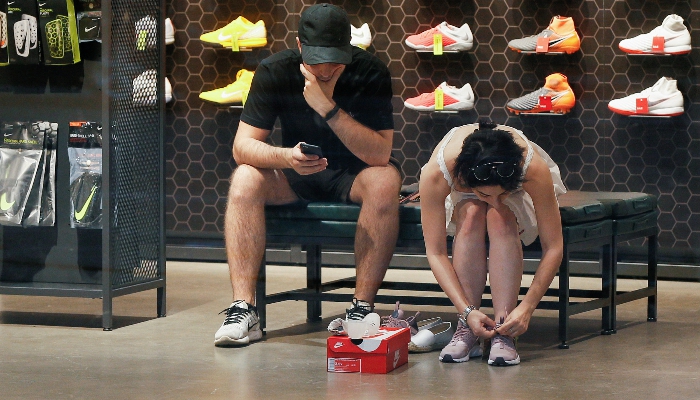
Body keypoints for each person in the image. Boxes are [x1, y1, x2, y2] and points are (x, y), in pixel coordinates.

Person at [214, 3, 401, 346]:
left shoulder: (370, 71)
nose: (326, 70)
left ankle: (361, 307)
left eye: (336, 61)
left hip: (353, 175)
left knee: (385, 179)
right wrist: (287, 157)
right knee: (244, 177)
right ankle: (244, 308)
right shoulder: (275, 70)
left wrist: (328, 108)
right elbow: (242, 147)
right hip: (295, 173)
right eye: (317, 60)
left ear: (348, 48)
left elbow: (380, 154)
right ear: (300, 45)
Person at [419, 119, 567, 365]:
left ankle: (504, 328)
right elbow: (435, 253)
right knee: (472, 214)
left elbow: (554, 247)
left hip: (516, 189)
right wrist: (466, 311)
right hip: (462, 188)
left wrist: (527, 308)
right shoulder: (437, 173)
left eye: (502, 193)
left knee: (499, 215)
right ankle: (467, 326)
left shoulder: (531, 168)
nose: (494, 200)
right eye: (486, 194)